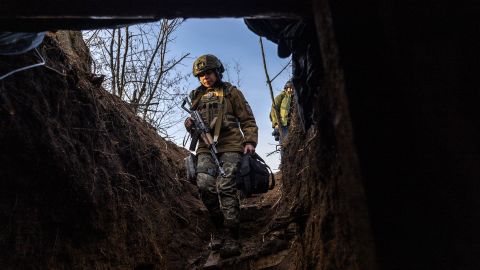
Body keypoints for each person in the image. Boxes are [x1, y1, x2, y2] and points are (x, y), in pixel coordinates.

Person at [184, 54, 258, 258]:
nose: (205, 77)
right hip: (205, 147)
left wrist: (250, 141)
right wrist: (189, 125)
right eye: (201, 75)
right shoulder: (196, 96)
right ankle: (219, 228)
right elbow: (195, 124)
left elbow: (248, 120)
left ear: (217, 72)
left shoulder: (232, 92)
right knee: (205, 185)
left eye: (208, 73)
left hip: (231, 144)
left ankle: (233, 234)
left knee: (225, 186)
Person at [270, 80, 294, 145]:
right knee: (285, 144)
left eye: (293, 88)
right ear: (286, 88)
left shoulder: (294, 98)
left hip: (292, 124)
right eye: (290, 88)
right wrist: (276, 124)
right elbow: (273, 110)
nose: (291, 90)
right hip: (283, 125)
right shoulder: (281, 96)